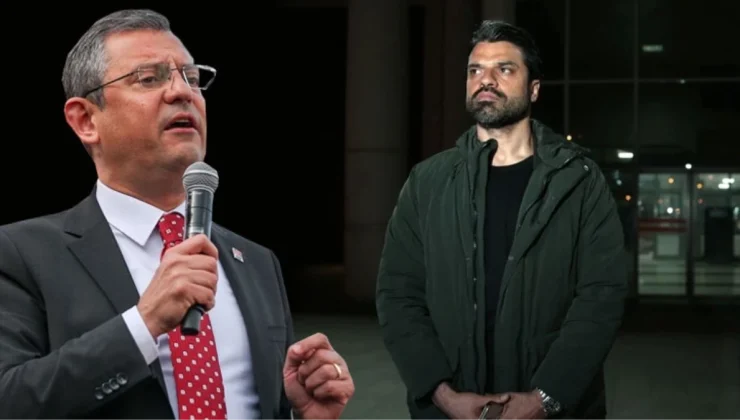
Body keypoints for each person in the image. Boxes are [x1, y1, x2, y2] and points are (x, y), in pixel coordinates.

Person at [0, 9, 354, 420]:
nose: (182, 92)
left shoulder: (256, 262)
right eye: (149, 78)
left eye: (192, 77)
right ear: (86, 120)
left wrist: (302, 414)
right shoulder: (21, 254)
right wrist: (143, 323)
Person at [376, 20, 628, 420]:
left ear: (534, 89)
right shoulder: (428, 182)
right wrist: (443, 396)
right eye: (475, 70)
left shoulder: (578, 181)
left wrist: (545, 399)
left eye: (504, 69)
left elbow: (602, 296)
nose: (485, 80)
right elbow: (398, 295)